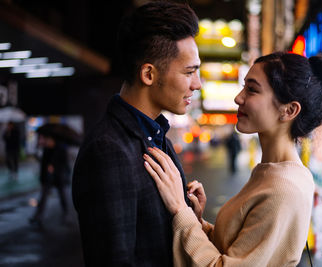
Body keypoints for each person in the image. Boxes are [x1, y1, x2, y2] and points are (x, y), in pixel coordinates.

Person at [144, 52, 322, 266]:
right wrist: (197, 222)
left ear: (289, 110)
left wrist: (180, 210)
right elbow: (238, 248)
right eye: (244, 86)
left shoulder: (283, 188)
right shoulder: (275, 172)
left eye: (252, 89)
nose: (238, 97)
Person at [72, 2, 201, 267]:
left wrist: (191, 217)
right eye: (189, 72)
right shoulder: (108, 150)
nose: (197, 84)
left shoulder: (155, 135)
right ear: (148, 74)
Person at [29, 134, 70, 226]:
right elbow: (43, 165)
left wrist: (54, 167)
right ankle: (38, 216)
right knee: (43, 196)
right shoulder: (46, 150)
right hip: (48, 178)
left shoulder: (61, 149)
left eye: (49, 140)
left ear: (53, 140)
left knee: (62, 196)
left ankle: (66, 213)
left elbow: (65, 164)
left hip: (58, 177)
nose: (47, 141)